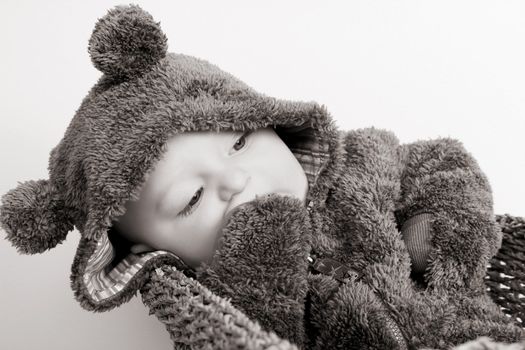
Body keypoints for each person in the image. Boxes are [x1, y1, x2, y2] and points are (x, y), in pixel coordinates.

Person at [1, 5, 523, 350]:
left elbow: (444, 161)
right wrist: (263, 255)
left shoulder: (366, 163)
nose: (235, 179)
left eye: (239, 141)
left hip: (476, 327)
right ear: (144, 255)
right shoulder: (216, 307)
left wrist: (443, 230)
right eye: (191, 198)